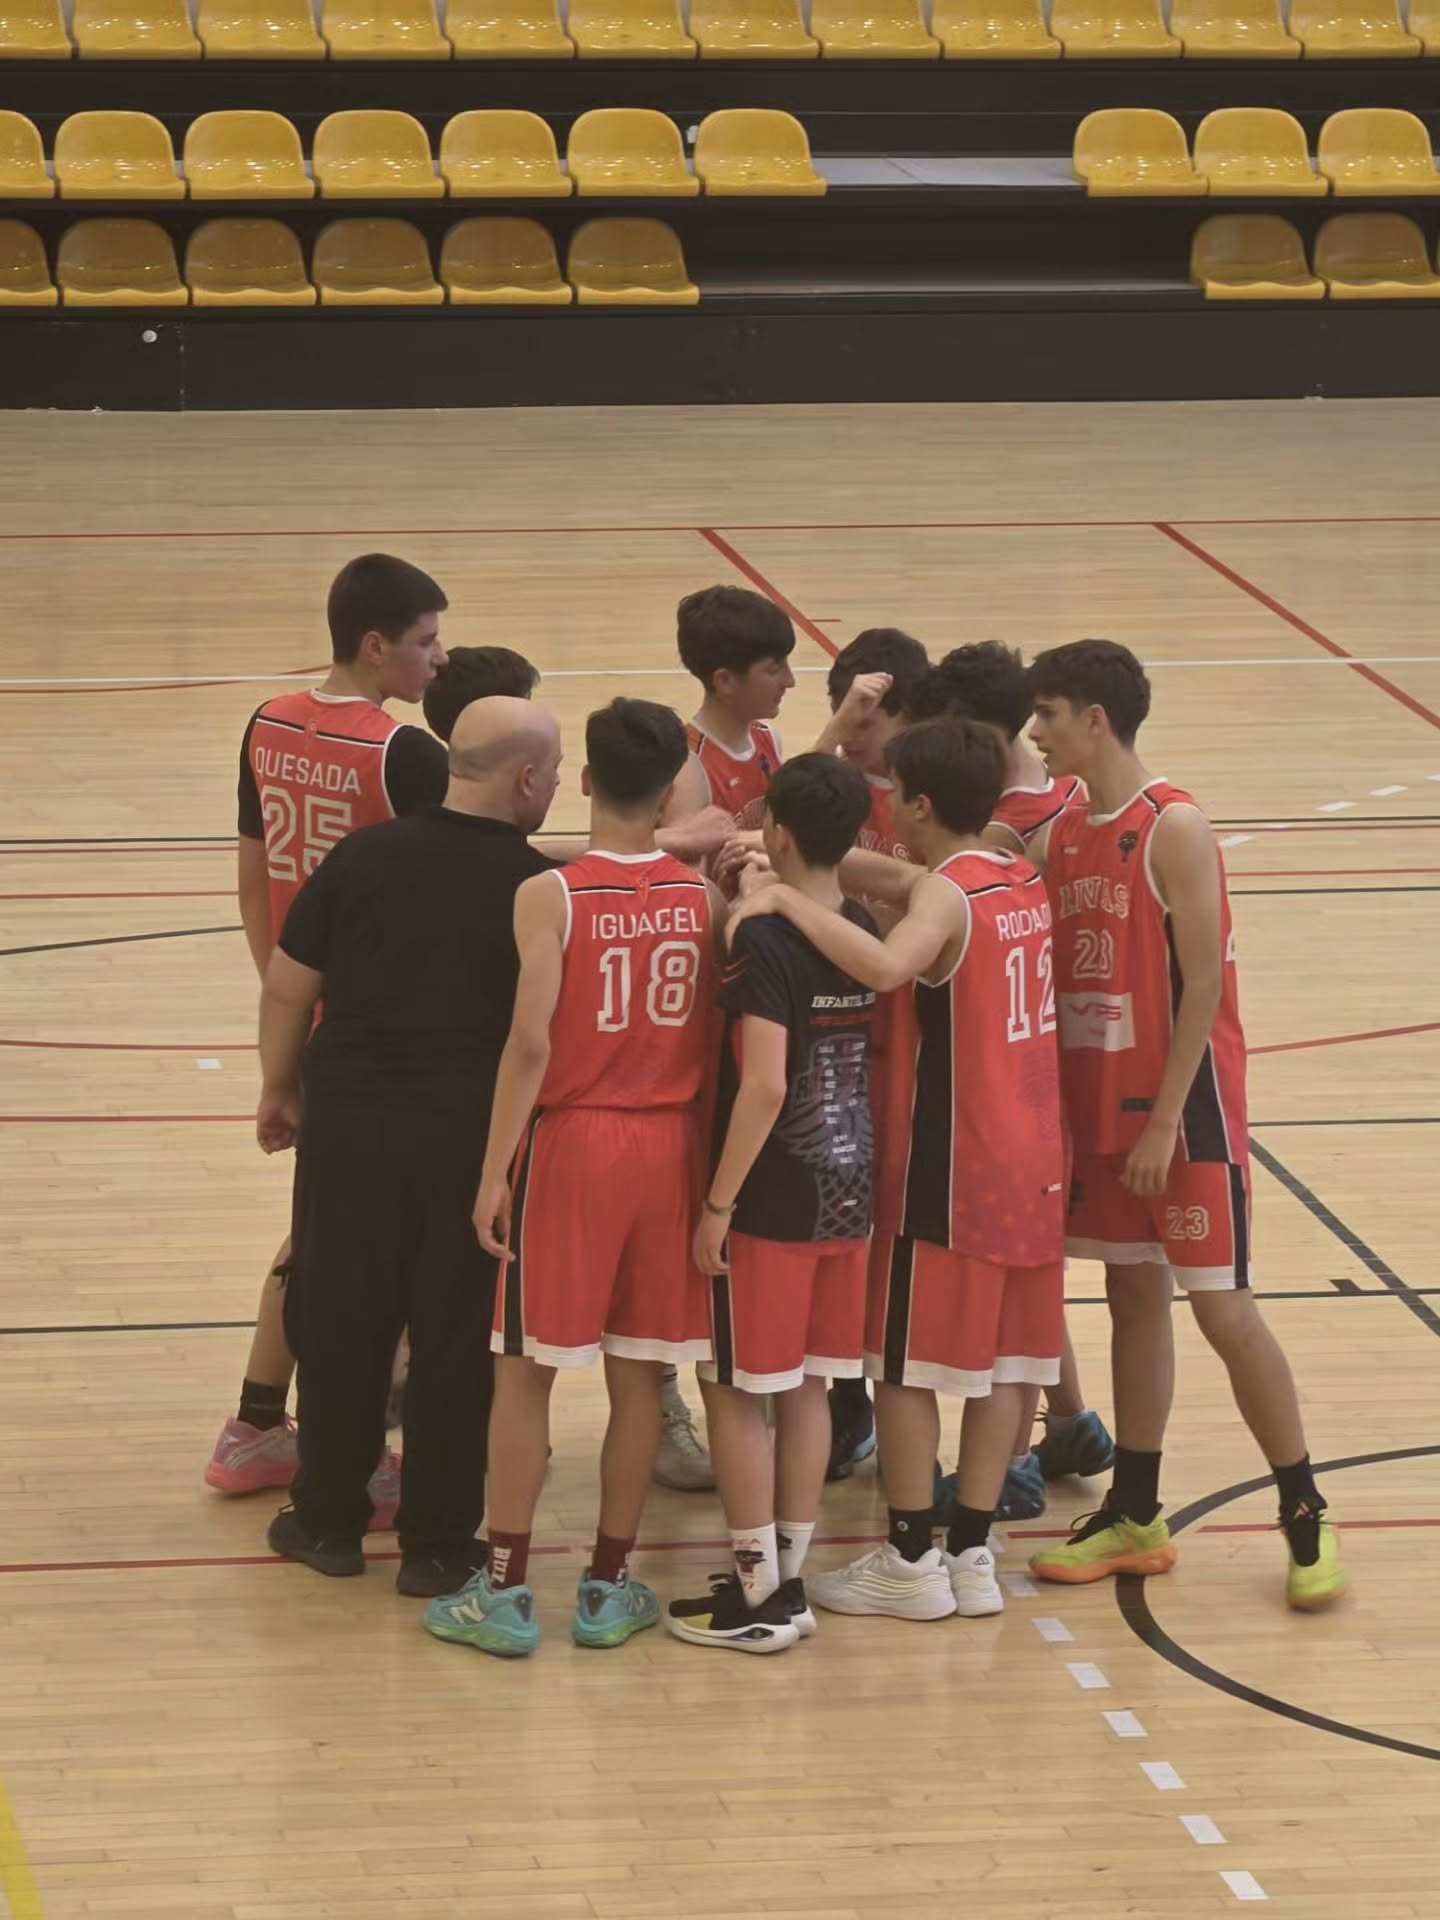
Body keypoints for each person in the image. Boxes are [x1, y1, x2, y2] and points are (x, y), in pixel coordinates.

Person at [1026, 639, 1345, 1610]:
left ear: (1096, 721)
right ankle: (1137, 1510)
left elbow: (1203, 982)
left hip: (1183, 1119)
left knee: (1222, 1310)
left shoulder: (1175, 827)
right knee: (1131, 1301)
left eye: (1048, 714)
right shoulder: (1066, 831)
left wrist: (1165, 1119)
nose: (1034, 733)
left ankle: (1304, 1510)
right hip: (1103, 1120)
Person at [727, 718, 1066, 1624]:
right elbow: (913, 885)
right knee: (1012, 1365)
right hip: (1039, 1157)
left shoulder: (946, 900)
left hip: (954, 1166)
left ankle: (911, 1557)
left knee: (904, 1366)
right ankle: (974, 1554)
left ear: (917, 803)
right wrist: (817, 869)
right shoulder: (1012, 872)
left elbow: (884, 965)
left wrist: (788, 901)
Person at [425, 699, 720, 1660]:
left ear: (586, 781)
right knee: (642, 1378)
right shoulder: (701, 898)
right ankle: (607, 1585)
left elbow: (530, 1041)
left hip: (576, 1143)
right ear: (674, 787)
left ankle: (507, 1591)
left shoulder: (550, 895)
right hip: (671, 1145)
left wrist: (492, 1166)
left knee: (524, 1373)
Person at [258, 697, 565, 1597]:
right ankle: (436, 1545)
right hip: (472, 1141)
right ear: (525, 780)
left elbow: (287, 985)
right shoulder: (536, 888)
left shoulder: (363, 856)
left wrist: (279, 1087)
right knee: (455, 1338)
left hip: (350, 1124)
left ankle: (327, 1522)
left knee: (343, 1319)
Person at [206, 553, 450, 1512]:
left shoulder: (268, 723)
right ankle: (334, 1436)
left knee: (318, 1228)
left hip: (306, 1006)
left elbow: (253, 868)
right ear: (376, 644)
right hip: (378, 1031)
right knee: (368, 1245)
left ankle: (257, 1420)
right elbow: (480, 863)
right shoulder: (402, 753)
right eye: (426, 641)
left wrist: (281, 997)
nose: (438, 658)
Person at [667, 755, 878, 1655]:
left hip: (775, 1195)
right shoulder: (859, 924)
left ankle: (760, 1598)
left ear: (780, 832)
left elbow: (761, 1086)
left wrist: (719, 1202)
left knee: (736, 1388)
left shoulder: (761, 939)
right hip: (852, 1187)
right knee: (813, 1388)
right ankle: (787, 1577)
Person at [910, 642, 1113, 1520]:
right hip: (1052, 1043)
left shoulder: (1003, 834)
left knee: (1003, 1277)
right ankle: (1066, 1420)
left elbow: (907, 947)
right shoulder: (1074, 789)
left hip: (1014, 1050)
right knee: (1029, 1268)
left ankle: (1021, 1458)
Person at [811, 628, 930, 1479]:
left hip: (918, 1049)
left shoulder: (936, 801)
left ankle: (1054, 1419)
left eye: (868, 720)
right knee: (845, 1230)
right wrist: (836, 734)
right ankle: (848, 1409)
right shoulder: (838, 784)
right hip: (844, 1048)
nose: (851, 736)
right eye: (841, 716)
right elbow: (780, 817)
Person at [678, 585, 794, 833]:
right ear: (725, 681)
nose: (790, 681)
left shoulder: (768, 738)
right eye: (775, 669)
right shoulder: (688, 765)